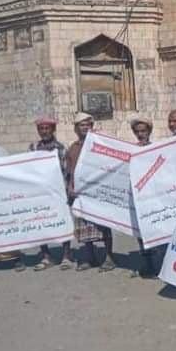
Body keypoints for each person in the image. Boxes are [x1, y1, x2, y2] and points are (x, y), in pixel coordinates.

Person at [64, 112, 115, 272]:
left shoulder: (100, 144)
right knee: (84, 227)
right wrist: (70, 188)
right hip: (80, 194)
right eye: (82, 125)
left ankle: (109, 258)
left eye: (88, 125)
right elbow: (70, 171)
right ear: (76, 128)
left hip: (98, 193)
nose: (85, 127)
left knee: (104, 226)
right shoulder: (73, 148)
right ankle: (90, 257)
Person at [29, 116, 73, 270]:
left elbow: (66, 171)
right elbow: (28, 170)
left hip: (58, 192)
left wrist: (67, 190)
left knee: (63, 222)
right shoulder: (33, 148)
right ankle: (46, 257)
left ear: (53, 130)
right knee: (40, 223)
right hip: (40, 193)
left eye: (47, 128)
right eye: (41, 129)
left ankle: (66, 256)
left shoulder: (61, 148)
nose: (44, 131)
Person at [129, 115, 162, 278]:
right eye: (137, 131)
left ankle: (160, 265)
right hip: (138, 198)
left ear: (149, 131)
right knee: (141, 233)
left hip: (154, 196)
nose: (140, 134)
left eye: (143, 131)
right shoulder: (131, 150)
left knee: (156, 230)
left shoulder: (156, 149)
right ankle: (148, 264)